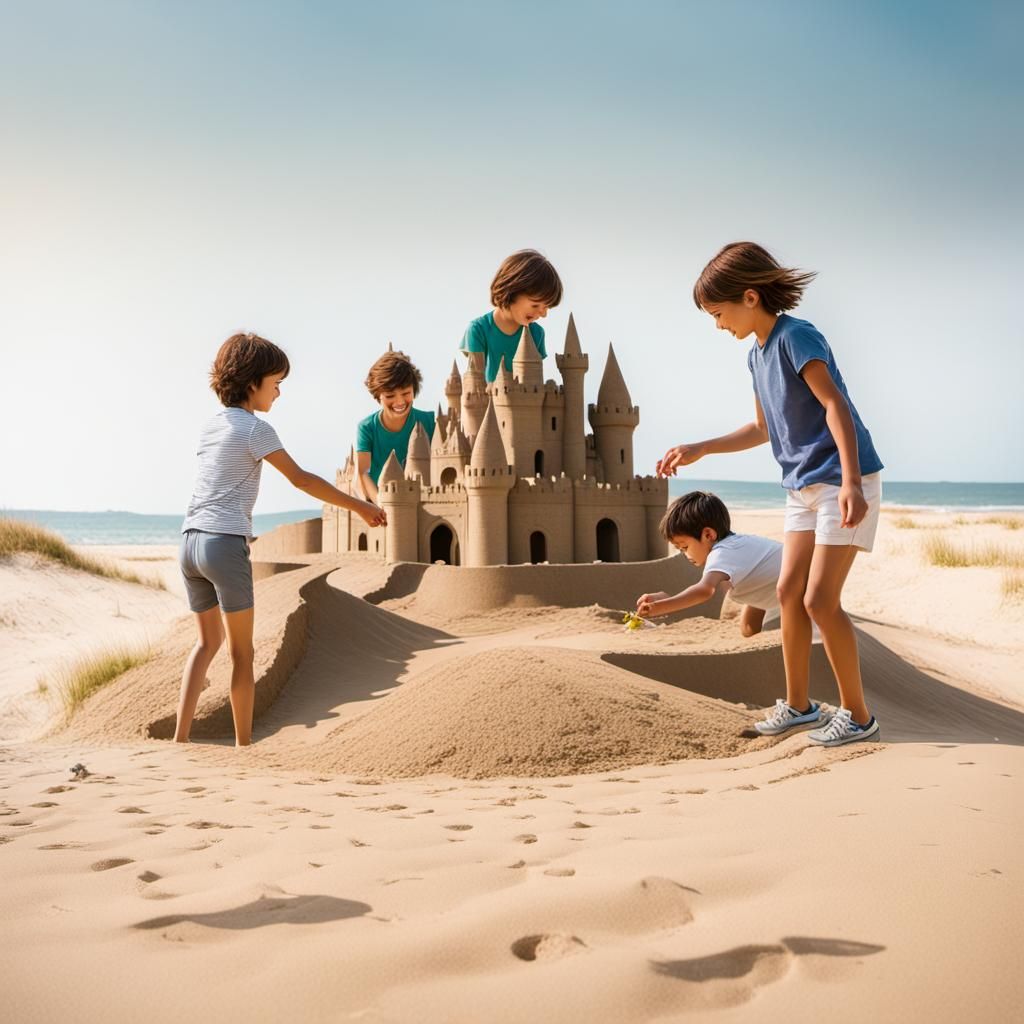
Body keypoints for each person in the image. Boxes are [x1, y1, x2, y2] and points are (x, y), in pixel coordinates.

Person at [657, 242, 884, 747]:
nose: (718, 325)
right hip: (800, 487)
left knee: (821, 601)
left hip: (842, 481)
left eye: (719, 313)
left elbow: (834, 406)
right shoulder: (756, 355)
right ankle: (801, 707)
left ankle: (859, 716)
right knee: (787, 595)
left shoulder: (796, 337)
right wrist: (701, 448)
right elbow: (762, 428)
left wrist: (850, 482)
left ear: (751, 297)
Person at [176, 332, 386, 747]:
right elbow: (302, 479)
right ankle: (244, 746)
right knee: (242, 653)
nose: (279, 391)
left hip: (189, 542)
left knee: (206, 643)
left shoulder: (210, 427)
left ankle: (181, 740)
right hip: (223, 544)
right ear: (252, 382)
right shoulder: (257, 429)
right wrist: (359, 506)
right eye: (276, 382)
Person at [636, 491, 784, 638]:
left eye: (685, 547)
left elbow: (704, 591)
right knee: (748, 627)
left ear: (708, 535)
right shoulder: (737, 545)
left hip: (800, 580)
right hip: (778, 579)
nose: (685, 554)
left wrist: (661, 607)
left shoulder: (721, 552)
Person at [460, 249, 563, 382]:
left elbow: (534, 382)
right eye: (535, 305)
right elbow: (476, 381)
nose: (543, 314)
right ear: (511, 292)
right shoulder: (478, 330)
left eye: (546, 307)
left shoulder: (537, 333)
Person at [355, 349, 435, 503]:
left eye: (406, 393)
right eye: (390, 396)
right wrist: (380, 503)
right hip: (382, 502)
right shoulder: (367, 428)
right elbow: (363, 472)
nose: (399, 402)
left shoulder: (429, 422)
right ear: (378, 396)